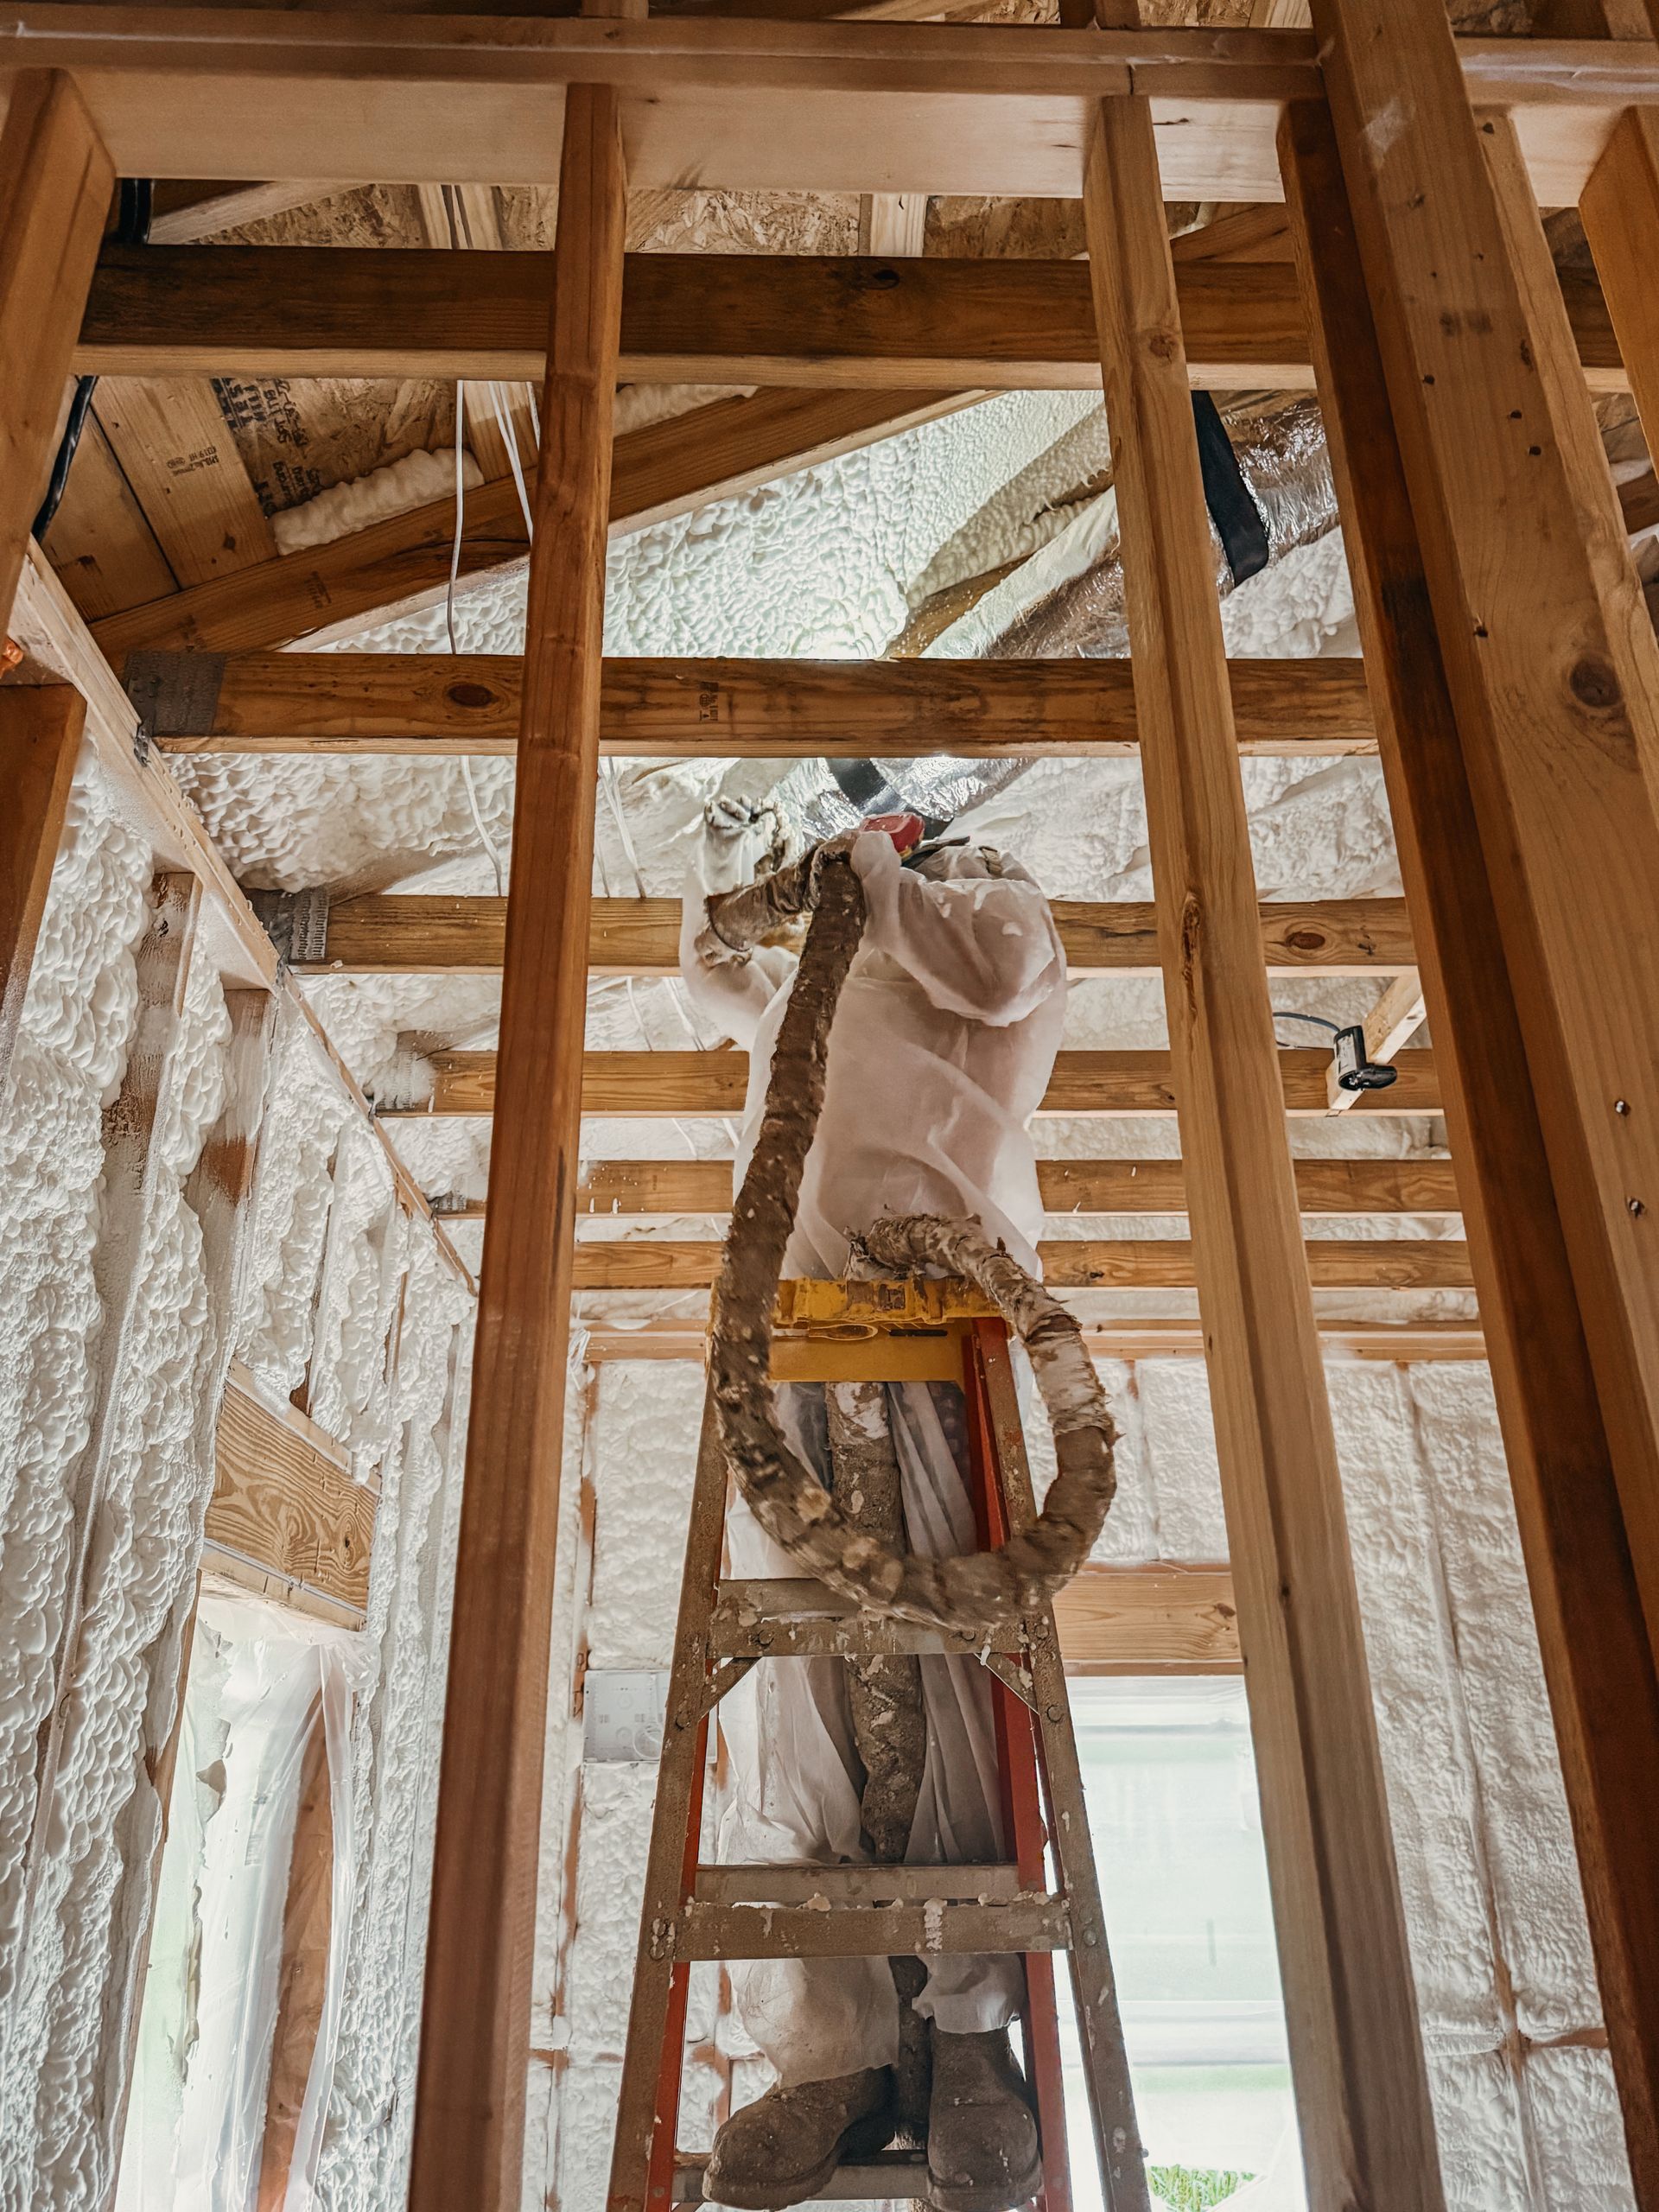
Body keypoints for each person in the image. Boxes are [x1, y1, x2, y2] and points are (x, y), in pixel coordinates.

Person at [678, 803, 1068, 2212]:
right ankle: (827, 2048)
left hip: (934, 1325)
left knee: (947, 1671)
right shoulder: (831, 972)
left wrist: (880, 875)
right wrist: (715, 896)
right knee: (790, 1694)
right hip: (781, 1333)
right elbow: (713, 987)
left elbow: (1006, 964)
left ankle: (968, 2034)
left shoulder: (982, 910)